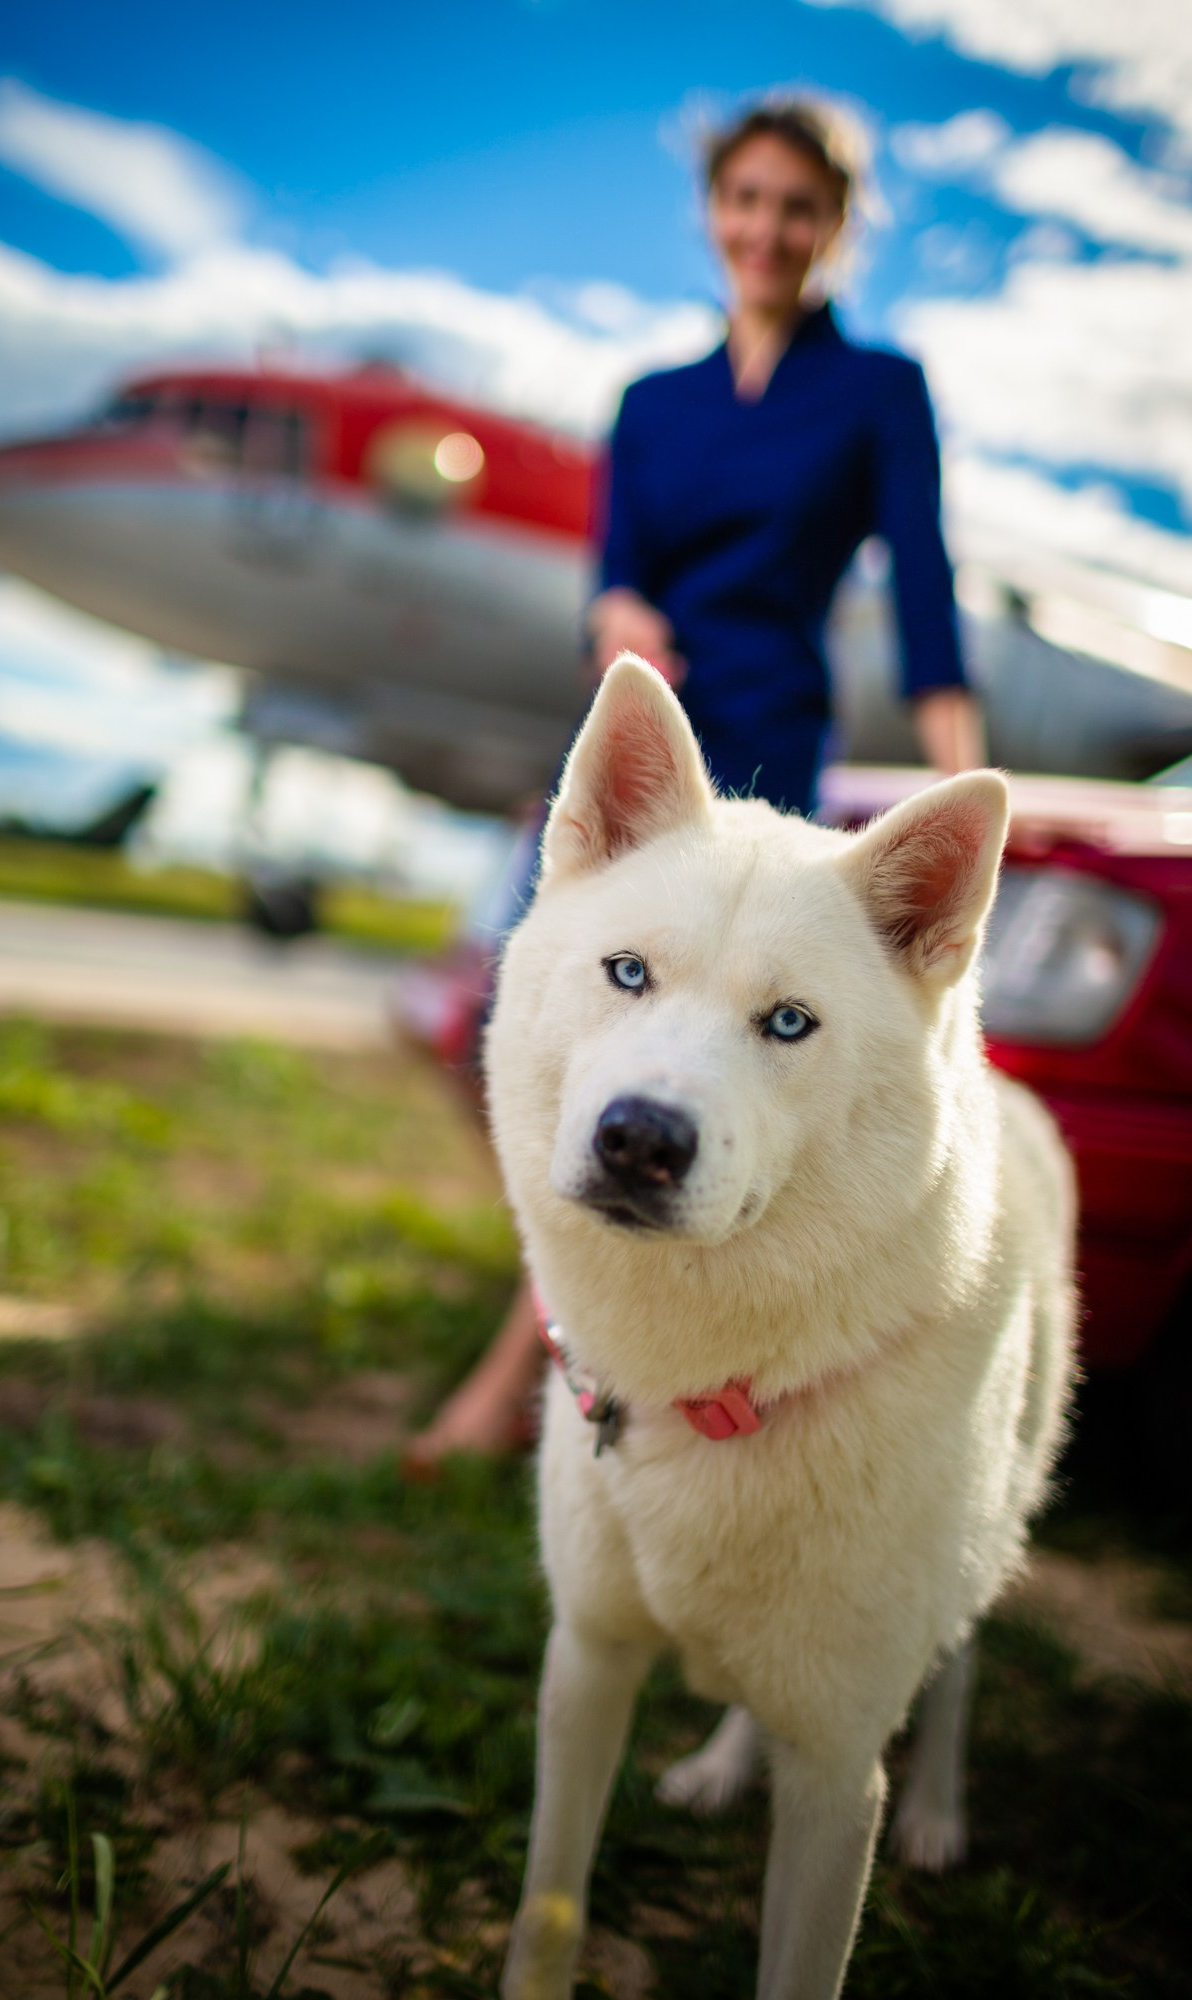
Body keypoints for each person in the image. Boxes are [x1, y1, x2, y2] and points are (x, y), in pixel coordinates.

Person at [405, 95, 985, 1469]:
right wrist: (614, 620)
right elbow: (615, 572)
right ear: (710, 212)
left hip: (766, 750)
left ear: (835, 228)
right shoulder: (650, 402)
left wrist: (966, 792)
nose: (766, 231)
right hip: (636, 755)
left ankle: (528, 1386)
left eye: (798, 208)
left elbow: (924, 590)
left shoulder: (873, 391)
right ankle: (581, 1309)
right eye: (745, 202)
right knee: (515, 1015)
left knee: (714, 1049)